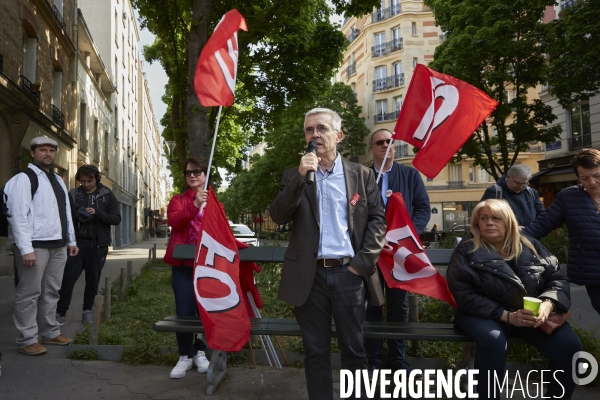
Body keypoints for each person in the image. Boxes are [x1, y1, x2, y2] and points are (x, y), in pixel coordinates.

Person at [269, 108, 386, 399]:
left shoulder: (361, 175)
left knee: (354, 351)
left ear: (339, 135)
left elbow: (377, 220)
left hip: (349, 274)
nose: (314, 135)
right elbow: (279, 215)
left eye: (321, 128)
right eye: (309, 130)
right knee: (316, 351)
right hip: (309, 276)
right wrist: (299, 176)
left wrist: (361, 264)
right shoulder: (294, 175)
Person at [447, 199, 582, 399]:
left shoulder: (529, 245)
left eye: (496, 218)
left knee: (570, 347)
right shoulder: (467, 250)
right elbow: (463, 293)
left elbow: (557, 279)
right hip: (484, 313)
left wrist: (548, 304)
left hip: (527, 314)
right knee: (493, 340)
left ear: (508, 221)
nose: (489, 223)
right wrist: (507, 316)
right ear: (477, 223)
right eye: (483, 218)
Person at [365, 128, 431, 375]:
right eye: (380, 142)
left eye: (390, 143)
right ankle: (372, 359)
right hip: (370, 255)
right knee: (370, 305)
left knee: (398, 307)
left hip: (400, 255)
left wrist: (407, 234)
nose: (385, 146)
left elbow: (423, 209)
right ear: (372, 148)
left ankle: (397, 359)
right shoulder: (361, 175)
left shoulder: (410, 175)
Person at [4, 136, 78, 356]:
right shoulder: (23, 179)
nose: (48, 154)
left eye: (51, 150)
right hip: (34, 246)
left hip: (58, 245)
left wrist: (71, 241)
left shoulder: (58, 180)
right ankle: (27, 339)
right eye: (43, 150)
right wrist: (25, 249)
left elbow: (66, 213)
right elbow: (17, 216)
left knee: (52, 291)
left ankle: (50, 331)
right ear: (33, 152)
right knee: (29, 293)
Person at [524, 148, 600, 316]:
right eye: (584, 178)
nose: (592, 182)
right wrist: (510, 239)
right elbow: (542, 225)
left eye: (597, 176)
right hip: (595, 272)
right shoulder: (569, 197)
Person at [163, 157, 211, 379]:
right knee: (184, 312)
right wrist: (194, 205)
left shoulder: (214, 201)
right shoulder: (179, 199)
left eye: (197, 171)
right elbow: (175, 222)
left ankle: (201, 352)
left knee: (204, 311)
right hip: (183, 266)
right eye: (188, 172)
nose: (192, 175)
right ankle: (185, 355)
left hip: (208, 267)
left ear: (205, 174)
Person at [56, 165, 121, 324]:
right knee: (68, 279)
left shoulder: (107, 195)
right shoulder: (72, 194)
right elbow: (65, 218)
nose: (86, 184)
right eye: (83, 181)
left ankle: (87, 310)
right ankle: (61, 312)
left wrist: (97, 213)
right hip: (76, 244)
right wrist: (79, 218)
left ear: (96, 179)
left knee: (93, 280)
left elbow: (116, 219)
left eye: (89, 181)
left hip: (98, 245)